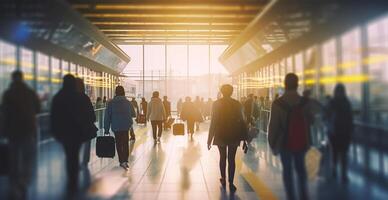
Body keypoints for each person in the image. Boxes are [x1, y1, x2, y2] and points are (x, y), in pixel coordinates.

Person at [268, 73, 320, 200]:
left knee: (287, 171)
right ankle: (303, 196)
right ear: (297, 85)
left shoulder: (277, 103)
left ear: (285, 85)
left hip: (284, 143)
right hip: (302, 142)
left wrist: (272, 144)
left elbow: (273, 126)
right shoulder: (305, 102)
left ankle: (291, 196)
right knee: (301, 169)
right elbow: (311, 121)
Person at [51, 74, 96, 192]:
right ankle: (73, 179)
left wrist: (55, 132)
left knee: (69, 154)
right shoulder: (81, 97)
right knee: (74, 154)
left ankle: (71, 178)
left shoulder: (58, 97)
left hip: (64, 133)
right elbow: (91, 116)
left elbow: (54, 116)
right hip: (78, 132)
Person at [2, 71, 40, 199]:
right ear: (22, 78)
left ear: (12, 79)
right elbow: (38, 108)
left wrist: (3, 130)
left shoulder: (7, 94)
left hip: (12, 131)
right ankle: (23, 181)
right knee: (26, 157)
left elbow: (4, 114)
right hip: (28, 129)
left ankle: (14, 183)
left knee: (13, 158)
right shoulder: (29, 92)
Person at [208, 84, 248, 193]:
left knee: (222, 158)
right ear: (232, 92)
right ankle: (231, 182)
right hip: (234, 135)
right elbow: (243, 121)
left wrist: (209, 139)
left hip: (220, 134)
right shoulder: (237, 104)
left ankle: (223, 179)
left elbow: (214, 121)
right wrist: (245, 138)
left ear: (221, 92)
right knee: (231, 159)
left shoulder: (216, 104)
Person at [104, 86, 136, 170]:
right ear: (124, 92)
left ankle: (121, 161)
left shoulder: (111, 103)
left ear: (116, 92)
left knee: (118, 143)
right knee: (125, 142)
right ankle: (125, 160)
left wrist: (106, 129)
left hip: (116, 126)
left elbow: (107, 117)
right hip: (126, 126)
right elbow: (133, 114)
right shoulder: (128, 103)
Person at [327, 84, 353, 183]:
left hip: (336, 133)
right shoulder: (346, 103)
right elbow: (350, 119)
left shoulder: (332, 103)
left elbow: (327, 115)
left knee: (337, 153)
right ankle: (342, 174)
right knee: (342, 154)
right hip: (342, 133)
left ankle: (337, 172)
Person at [75, 78, 96, 168]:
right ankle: (85, 161)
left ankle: (75, 161)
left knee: (75, 145)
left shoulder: (70, 97)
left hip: (74, 127)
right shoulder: (85, 98)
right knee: (87, 143)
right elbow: (91, 113)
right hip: (86, 126)